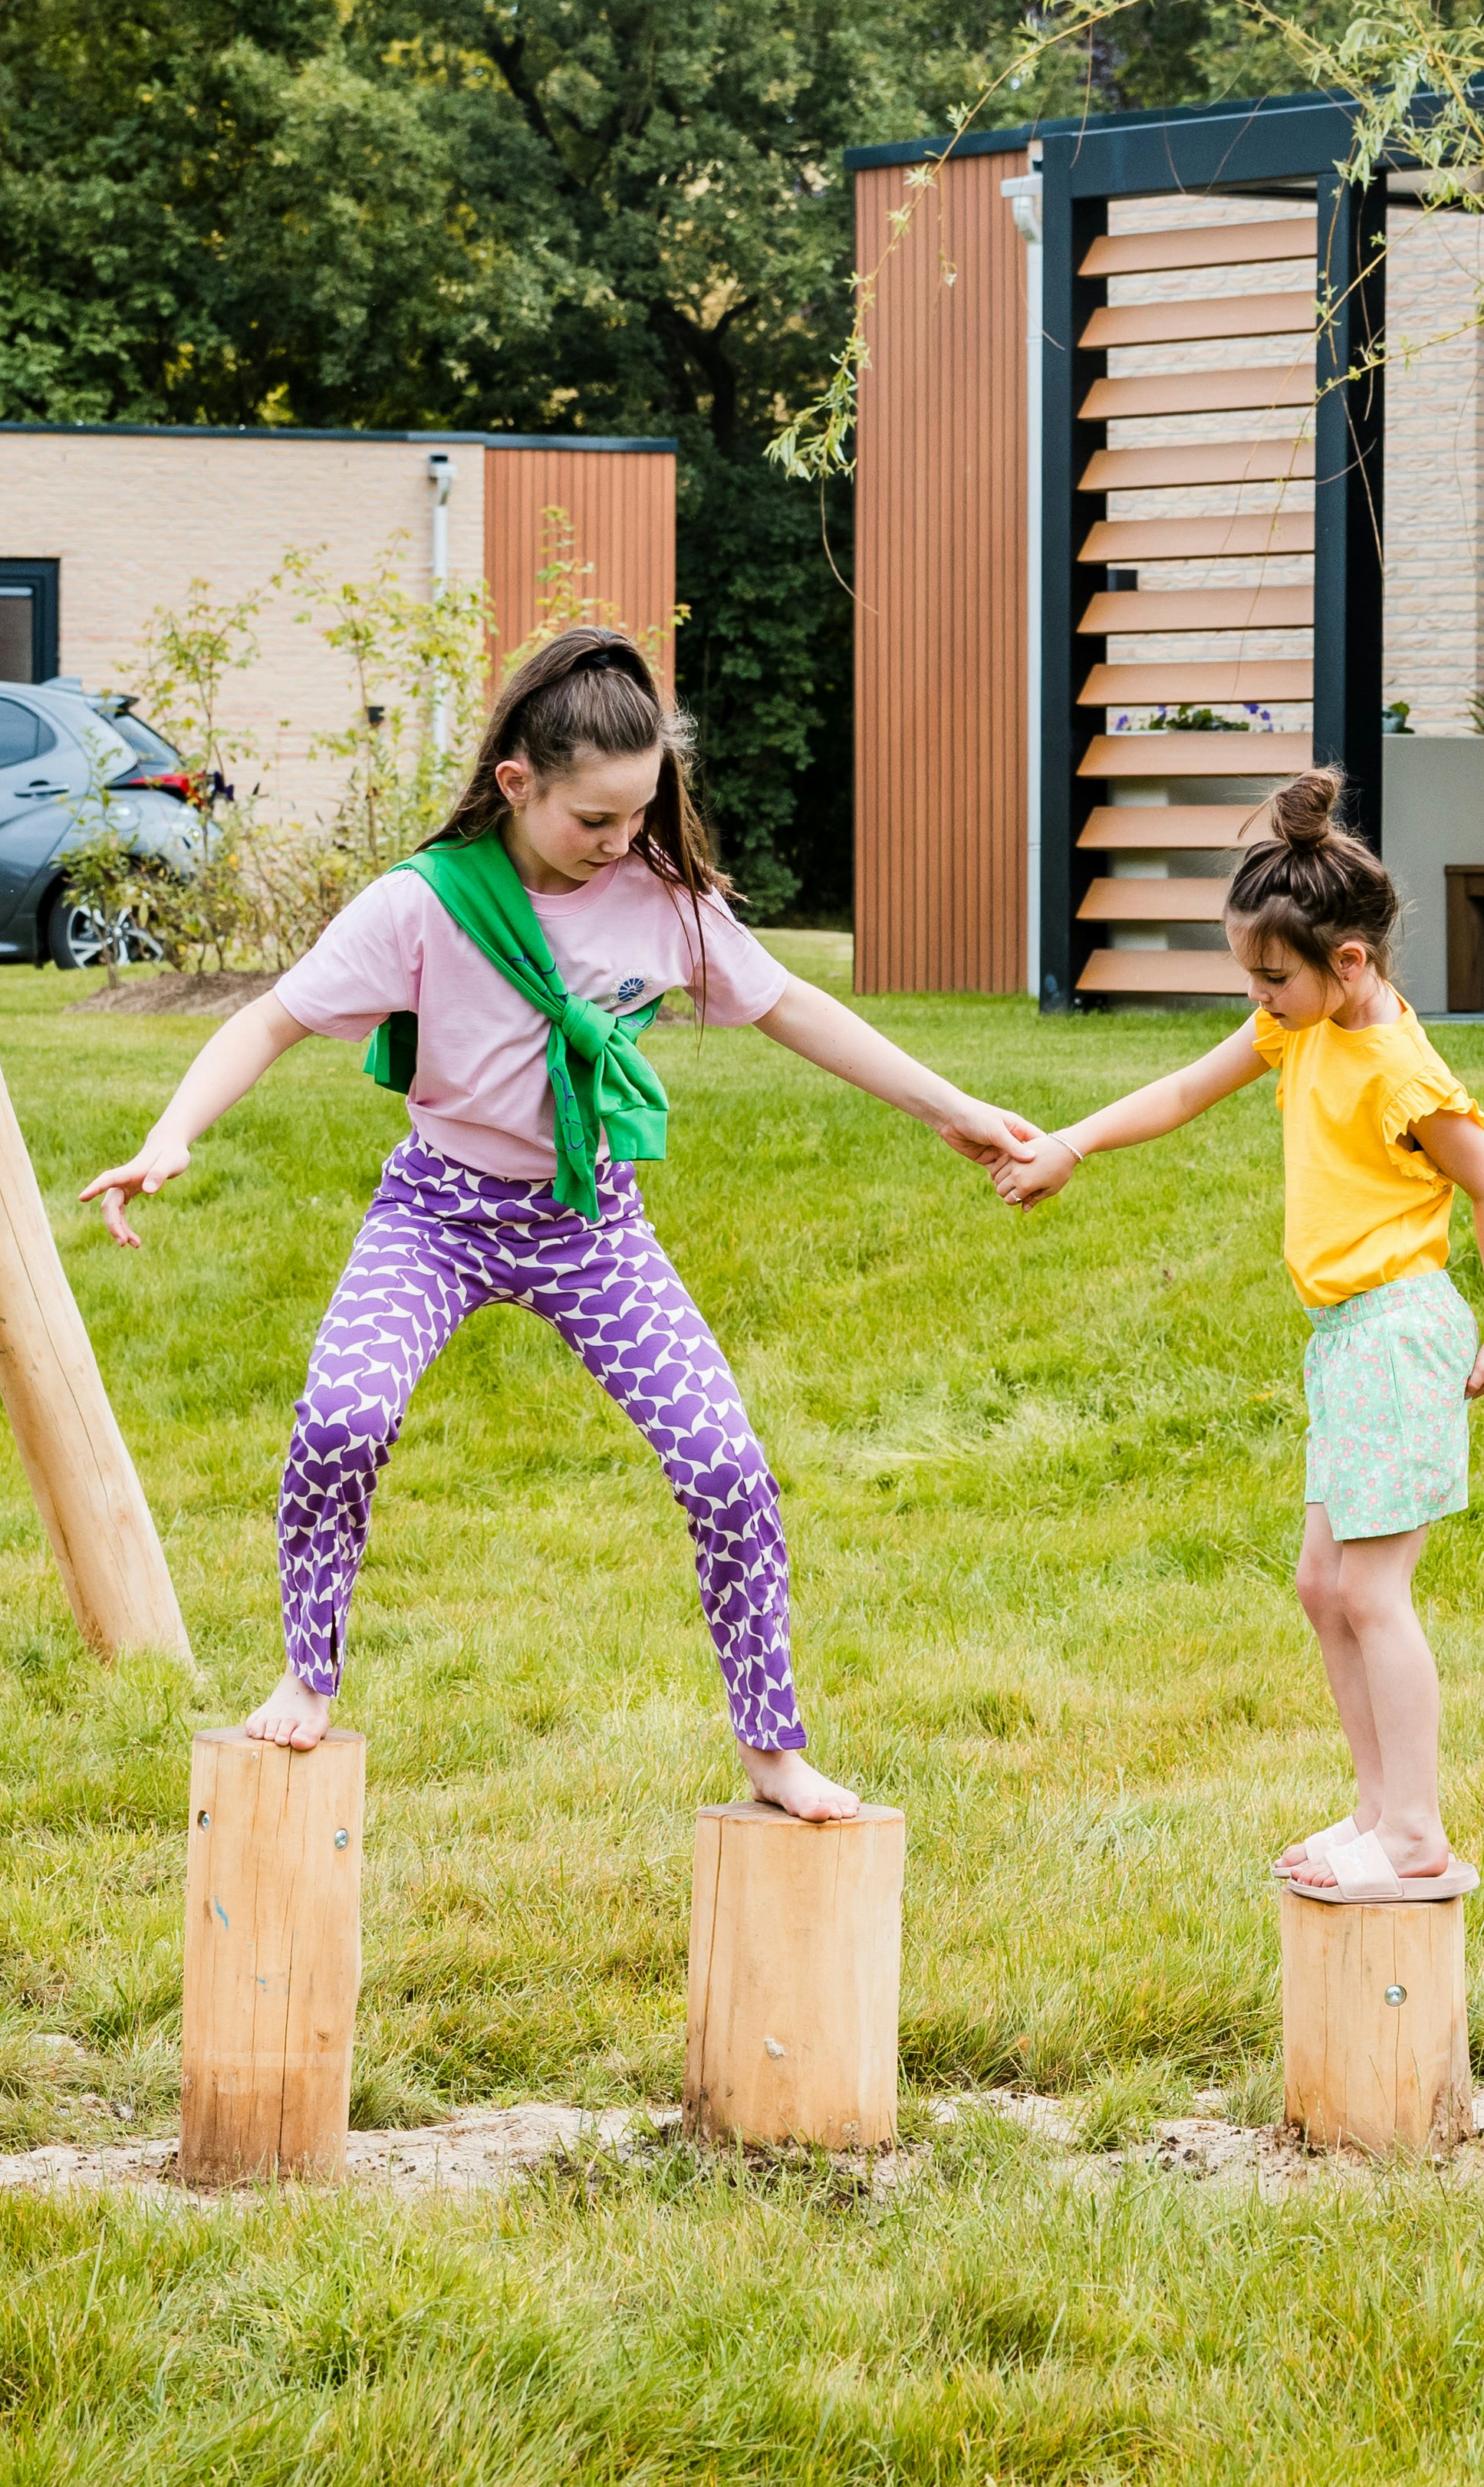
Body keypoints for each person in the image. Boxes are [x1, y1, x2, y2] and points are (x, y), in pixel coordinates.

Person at [79, 627, 1035, 1824]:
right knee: (340, 1421)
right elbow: (270, 1019)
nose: (620, 840)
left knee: (727, 1470)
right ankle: (305, 1676)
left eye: (638, 813)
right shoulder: (422, 904)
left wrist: (953, 1111)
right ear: (517, 784)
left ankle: (771, 1750)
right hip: (437, 1212)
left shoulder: (660, 902)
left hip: (589, 1223)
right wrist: (172, 1134)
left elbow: (789, 1006)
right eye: (594, 818)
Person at [993, 771, 1484, 1900]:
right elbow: (1185, 1091)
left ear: (1348, 962)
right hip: (1345, 1338)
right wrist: (1070, 1146)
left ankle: (1413, 1831)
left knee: (1371, 1592)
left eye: (1271, 977)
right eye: (1249, 976)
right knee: (1323, 1586)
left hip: (1397, 1332)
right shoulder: (1301, 1028)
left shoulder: (1402, 1073)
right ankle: (1376, 1811)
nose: (1257, 997)